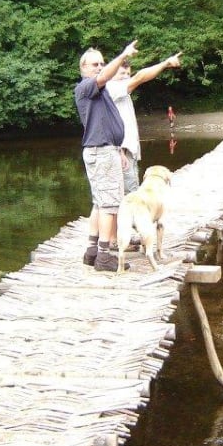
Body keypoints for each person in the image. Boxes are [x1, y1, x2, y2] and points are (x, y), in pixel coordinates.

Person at [75, 41, 138, 272]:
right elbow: (103, 77)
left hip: (105, 149)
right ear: (83, 68)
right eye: (95, 64)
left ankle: (92, 252)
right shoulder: (86, 87)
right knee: (110, 205)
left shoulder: (100, 91)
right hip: (101, 151)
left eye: (102, 63)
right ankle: (104, 257)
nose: (100, 67)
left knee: (99, 203)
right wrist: (123, 56)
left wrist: (118, 149)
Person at [106, 52, 182, 195]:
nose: (126, 77)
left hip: (127, 151)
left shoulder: (123, 92)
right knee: (130, 195)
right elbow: (140, 77)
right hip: (121, 151)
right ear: (111, 74)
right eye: (122, 73)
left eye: (128, 74)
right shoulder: (111, 88)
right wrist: (165, 63)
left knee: (130, 192)